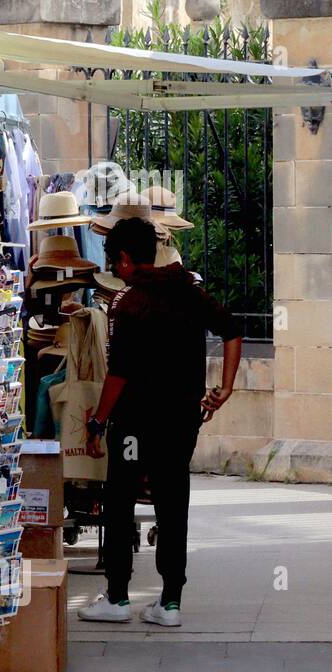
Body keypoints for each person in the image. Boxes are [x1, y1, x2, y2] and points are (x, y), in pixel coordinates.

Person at [77, 217, 242, 627]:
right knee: (173, 502)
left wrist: (97, 423)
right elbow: (233, 330)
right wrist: (225, 389)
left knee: (119, 499)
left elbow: (119, 374)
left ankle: (117, 597)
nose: (113, 270)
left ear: (127, 259)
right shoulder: (189, 291)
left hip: (135, 423)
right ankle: (170, 603)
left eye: (114, 262)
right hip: (181, 420)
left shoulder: (130, 304)